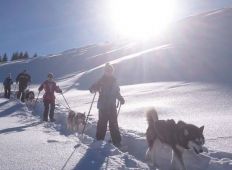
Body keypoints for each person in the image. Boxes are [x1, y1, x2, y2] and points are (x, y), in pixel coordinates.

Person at [89, 63, 125, 147]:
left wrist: (120, 98)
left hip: (112, 106)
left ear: (112, 71)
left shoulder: (114, 80)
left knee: (114, 124)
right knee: (102, 124)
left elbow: (116, 92)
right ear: (105, 71)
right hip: (103, 106)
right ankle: (99, 140)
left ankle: (117, 142)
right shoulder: (101, 80)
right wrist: (96, 88)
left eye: (110, 70)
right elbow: (91, 89)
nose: (109, 72)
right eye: (107, 70)